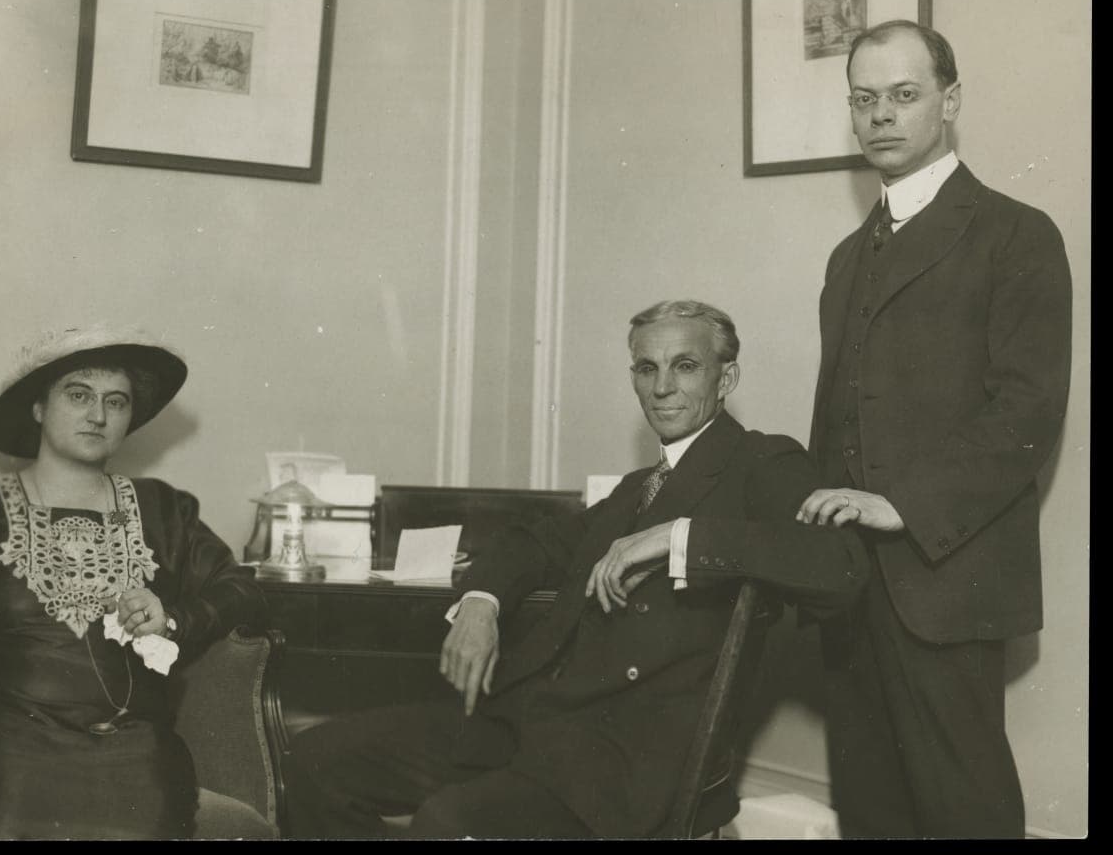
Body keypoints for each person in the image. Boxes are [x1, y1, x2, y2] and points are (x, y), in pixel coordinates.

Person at [283, 300, 869, 839]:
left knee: (447, 822)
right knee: (314, 763)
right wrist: (481, 603)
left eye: (685, 366)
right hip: (527, 727)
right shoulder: (636, 488)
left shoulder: (761, 462)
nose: (662, 388)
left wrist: (676, 536)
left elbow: (839, 567)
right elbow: (530, 540)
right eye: (646, 368)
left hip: (618, 766)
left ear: (727, 378)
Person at [795, 21, 1072, 838]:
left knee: (964, 811)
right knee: (872, 811)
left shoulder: (1017, 235)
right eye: (864, 99)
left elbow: (1028, 413)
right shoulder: (848, 257)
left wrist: (902, 505)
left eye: (904, 95)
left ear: (950, 102)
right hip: (851, 589)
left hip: (947, 577)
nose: (881, 115)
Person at [0, 324, 267, 840]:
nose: (98, 414)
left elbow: (243, 588)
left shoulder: (164, 512)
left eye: (116, 401)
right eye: (79, 394)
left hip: (129, 751)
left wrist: (172, 617)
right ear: (39, 407)